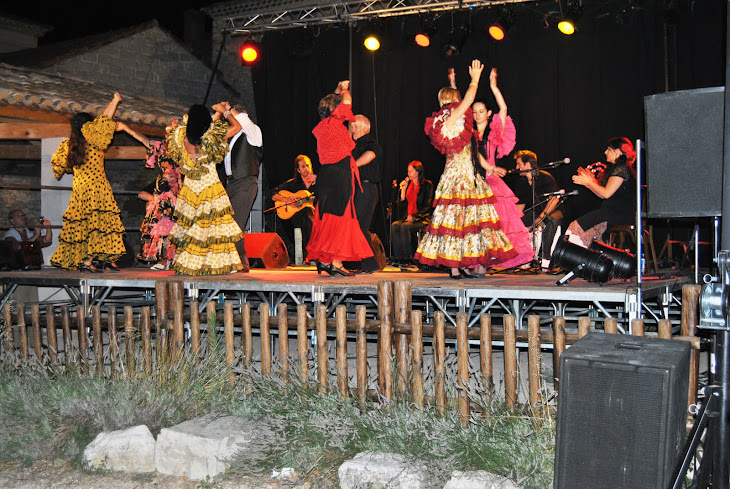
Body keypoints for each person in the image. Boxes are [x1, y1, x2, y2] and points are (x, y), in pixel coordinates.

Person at [415, 60, 518, 279]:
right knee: (458, 222)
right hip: (459, 176)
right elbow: (469, 98)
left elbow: (473, 152)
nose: (463, 102)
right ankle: (454, 266)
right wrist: (475, 79)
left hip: (466, 173)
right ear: (453, 101)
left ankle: (468, 265)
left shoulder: (449, 121)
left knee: (470, 222)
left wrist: (490, 167)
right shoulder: (451, 117)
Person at [50, 92, 126, 273]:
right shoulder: (93, 139)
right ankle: (89, 260)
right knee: (100, 223)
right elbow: (104, 120)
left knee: (83, 225)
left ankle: (100, 259)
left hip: (80, 189)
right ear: (88, 126)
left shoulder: (69, 146)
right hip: (96, 187)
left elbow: (60, 166)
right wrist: (114, 101)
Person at [166, 103, 244, 275]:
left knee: (193, 228)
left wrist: (214, 115)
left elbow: (183, 129)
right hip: (209, 187)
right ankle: (213, 265)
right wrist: (226, 112)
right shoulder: (211, 138)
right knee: (213, 229)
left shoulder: (180, 137)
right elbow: (237, 126)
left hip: (190, 189)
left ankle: (192, 264)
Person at [307, 80, 374, 276]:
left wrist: (335, 92)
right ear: (336, 111)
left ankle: (326, 261)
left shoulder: (321, 126)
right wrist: (344, 88)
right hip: (339, 174)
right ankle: (335, 262)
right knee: (342, 218)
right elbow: (347, 100)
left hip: (325, 175)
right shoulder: (336, 122)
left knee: (327, 217)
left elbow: (333, 103)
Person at [470, 68, 532, 271]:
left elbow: (503, 109)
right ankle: (475, 261)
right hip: (470, 182)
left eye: (481, 111)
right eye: (474, 111)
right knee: (474, 226)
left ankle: (486, 263)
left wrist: (494, 87)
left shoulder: (494, 132)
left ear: (488, 113)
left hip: (491, 181)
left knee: (493, 226)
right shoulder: (467, 133)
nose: (478, 115)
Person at [117, 120, 182, 270]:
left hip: (177, 189)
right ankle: (163, 258)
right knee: (158, 224)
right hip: (162, 189)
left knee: (174, 224)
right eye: (167, 132)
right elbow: (144, 140)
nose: (167, 134)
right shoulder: (162, 148)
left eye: (171, 132)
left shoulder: (184, 150)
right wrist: (126, 128)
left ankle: (172, 259)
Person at [566, 137, 637, 247]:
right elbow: (603, 193)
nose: (605, 152)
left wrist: (589, 183)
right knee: (577, 230)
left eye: (609, 149)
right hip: (612, 213)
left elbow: (606, 193)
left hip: (615, 214)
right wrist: (590, 182)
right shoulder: (620, 169)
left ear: (617, 152)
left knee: (576, 228)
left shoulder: (621, 170)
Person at [222, 104, 263, 273]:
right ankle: (233, 259)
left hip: (246, 182)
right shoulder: (232, 137)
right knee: (226, 222)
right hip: (231, 183)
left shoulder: (253, 133)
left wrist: (228, 109)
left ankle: (241, 261)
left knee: (236, 223)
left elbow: (244, 122)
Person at [512, 150, 564, 268]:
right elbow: (520, 206)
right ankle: (522, 257)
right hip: (535, 212)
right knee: (517, 222)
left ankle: (546, 258)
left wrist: (541, 218)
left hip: (552, 210)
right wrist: (513, 221)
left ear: (528, 165)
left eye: (519, 164)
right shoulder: (522, 182)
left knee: (551, 220)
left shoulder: (545, 177)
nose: (516, 167)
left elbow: (554, 200)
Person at [347, 114, 382, 274]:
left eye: (355, 126)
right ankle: (361, 263)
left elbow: (370, 155)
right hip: (357, 190)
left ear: (365, 128)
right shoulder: (353, 146)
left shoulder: (370, 142)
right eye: (351, 126)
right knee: (354, 226)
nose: (352, 129)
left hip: (367, 189)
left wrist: (352, 165)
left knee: (360, 226)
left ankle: (371, 264)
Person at [268, 154, 317, 263]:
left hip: (315, 215)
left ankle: (311, 254)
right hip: (296, 217)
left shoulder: (317, 184)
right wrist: (285, 200)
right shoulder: (293, 184)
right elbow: (271, 193)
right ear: (298, 170)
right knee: (305, 213)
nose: (307, 169)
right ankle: (309, 254)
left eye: (308, 166)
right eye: (303, 166)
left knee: (308, 211)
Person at [390, 161, 433, 268]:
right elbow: (402, 205)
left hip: (422, 218)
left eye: (411, 171)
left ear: (418, 172)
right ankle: (398, 257)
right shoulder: (408, 184)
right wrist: (403, 191)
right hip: (408, 217)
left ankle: (408, 257)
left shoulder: (427, 185)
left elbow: (428, 205)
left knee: (405, 227)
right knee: (395, 225)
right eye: (408, 171)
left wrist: (415, 217)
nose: (408, 173)